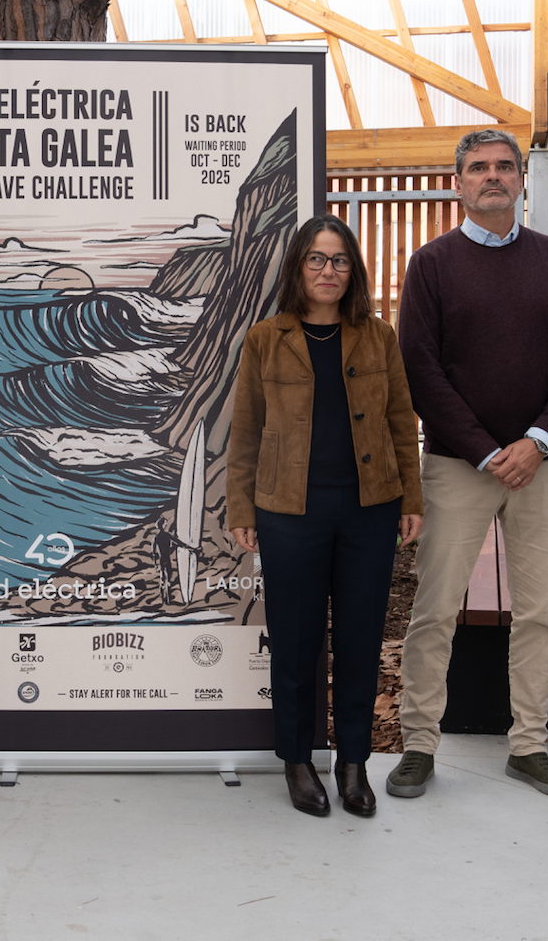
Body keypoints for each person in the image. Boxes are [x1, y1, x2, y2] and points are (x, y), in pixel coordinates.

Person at [390, 128, 548, 800]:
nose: (493, 176)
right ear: (458, 183)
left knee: (537, 612)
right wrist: (484, 449)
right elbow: (420, 368)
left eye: (505, 166)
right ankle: (419, 745)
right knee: (435, 608)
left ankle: (529, 746)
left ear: (522, 180)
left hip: (543, 464)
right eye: (478, 167)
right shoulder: (432, 264)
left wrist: (536, 441)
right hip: (459, 464)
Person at [227, 214, 423, 818]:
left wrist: (411, 499)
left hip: (369, 508)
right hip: (289, 511)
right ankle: (297, 760)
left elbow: (401, 420)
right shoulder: (265, 338)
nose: (328, 270)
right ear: (298, 266)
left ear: (352, 270)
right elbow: (246, 429)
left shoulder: (378, 336)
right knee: (294, 640)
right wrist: (242, 506)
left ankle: (353, 763)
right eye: (316, 258)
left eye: (339, 260)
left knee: (361, 639)